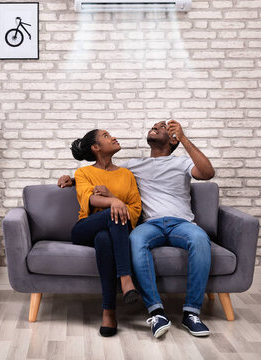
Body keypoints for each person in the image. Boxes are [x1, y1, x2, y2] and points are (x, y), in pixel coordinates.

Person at [58, 120, 215, 339]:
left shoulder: (180, 163)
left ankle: (191, 313)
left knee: (199, 239)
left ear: (172, 139)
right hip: (146, 225)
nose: (157, 125)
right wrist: (73, 180)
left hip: (182, 223)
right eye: (155, 125)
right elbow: (96, 176)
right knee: (132, 237)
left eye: (162, 127)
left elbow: (207, 173)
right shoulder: (133, 165)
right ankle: (149, 304)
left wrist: (184, 138)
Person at [69, 129, 142, 337]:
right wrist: (115, 201)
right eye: (106, 136)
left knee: (104, 239)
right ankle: (126, 278)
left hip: (114, 231)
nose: (113, 137)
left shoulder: (126, 175)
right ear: (96, 147)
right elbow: (89, 199)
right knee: (112, 214)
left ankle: (108, 312)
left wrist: (110, 196)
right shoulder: (83, 173)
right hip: (85, 228)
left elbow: (135, 209)